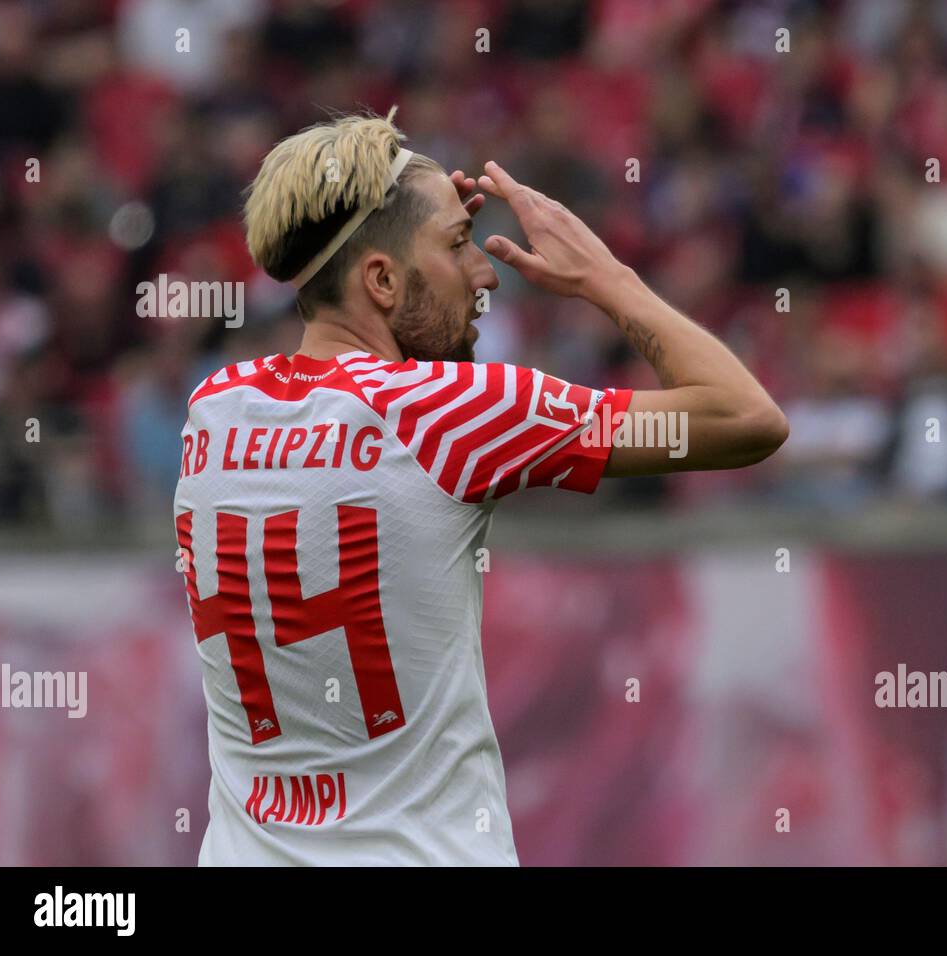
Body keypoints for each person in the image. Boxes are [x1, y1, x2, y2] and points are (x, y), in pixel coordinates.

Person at [172, 108, 786, 865]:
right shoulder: (449, 412)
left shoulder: (215, 412)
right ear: (382, 279)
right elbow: (746, 416)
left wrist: (419, 200)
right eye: (459, 246)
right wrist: (607, 278)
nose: (486, 273)